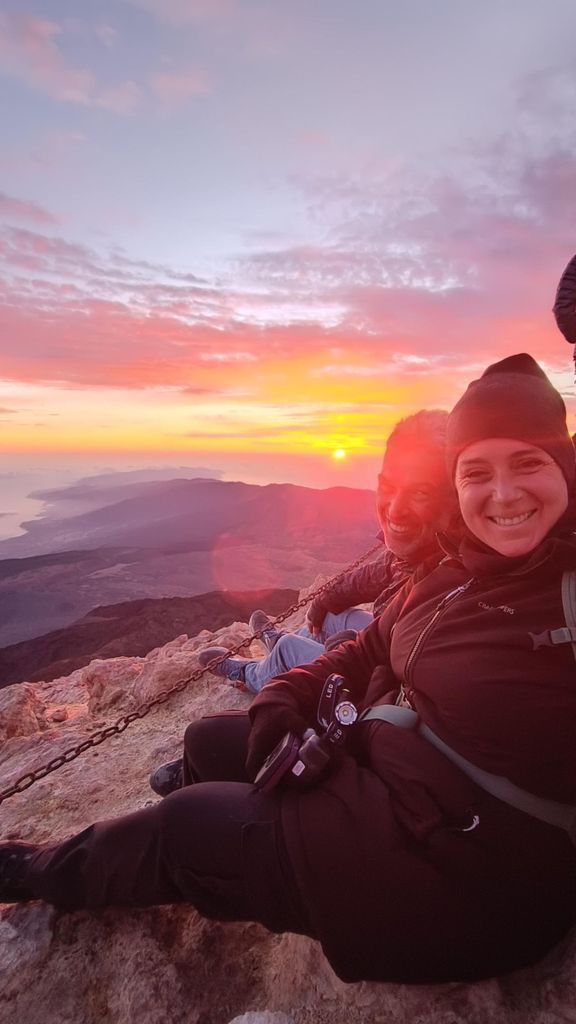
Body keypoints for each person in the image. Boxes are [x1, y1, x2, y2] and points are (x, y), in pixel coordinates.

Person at [2, 352, 576, 987]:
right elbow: (366, 649)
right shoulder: (456, 573)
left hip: (465, 874)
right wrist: (284, 697)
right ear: (460, 484)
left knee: (184, 828)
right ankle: (215, 834)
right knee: (207, 739)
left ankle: (36, 870)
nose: (503, 493)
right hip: (396, 783)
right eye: (477, 471)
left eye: (528, 461)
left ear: (566, 464)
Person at [195, 410, 456, 695]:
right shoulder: (426, 550)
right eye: (388, 486)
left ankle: (253, 673)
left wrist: (344, 650)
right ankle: (279, 650)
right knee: (333, 615)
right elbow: (371, 576)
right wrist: (323, 603)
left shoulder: (448, 577)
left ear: (454, 499)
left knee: (289, 648)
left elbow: (399, 666)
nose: (394, 509)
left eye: (421, 493)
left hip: (376, 683)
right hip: (376, 650)